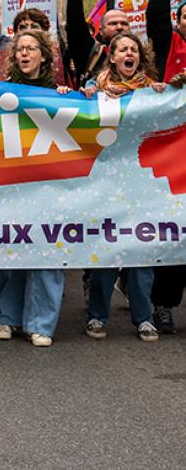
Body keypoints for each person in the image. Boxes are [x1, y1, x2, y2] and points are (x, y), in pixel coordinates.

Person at [79, 33, 166, 343]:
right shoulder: (94, 89)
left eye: (134, 49)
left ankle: (144, 318)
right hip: (104, 183)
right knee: (107, 255)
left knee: (141, 255)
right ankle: (97, 316)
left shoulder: (154, 90)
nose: (130, 53)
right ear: (112, 57)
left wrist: (164, 95)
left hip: (141, 185)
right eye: (123, 49)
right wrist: (78, 95)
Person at [0, 29, 69, 347]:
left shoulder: (61, 94)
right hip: (14, 184)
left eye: (30, 49)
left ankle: (40, 324)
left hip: (50, 186)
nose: (24, 54)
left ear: (44, 55)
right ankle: (7, 318)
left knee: (48, 252)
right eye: (19, 49)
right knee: (13, 249)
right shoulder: (1, 94)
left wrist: (72, 99)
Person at [66, 0, 131, 86]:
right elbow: (75, 27)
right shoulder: (91, 52)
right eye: (113, 23)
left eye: (124, 23)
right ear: (100, 30)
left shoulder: (140, 56)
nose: (119, 27)